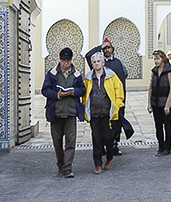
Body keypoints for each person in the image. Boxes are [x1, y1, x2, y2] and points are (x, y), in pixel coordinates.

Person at [40, 47, 85, 178]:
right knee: (57, 141)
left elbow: (82, 90)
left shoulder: (76, 74)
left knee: (71, 141)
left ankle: (67, 168)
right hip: (56, 113)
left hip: (70, 113)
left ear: (71, 61)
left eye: (68, 61)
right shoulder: (52, 74)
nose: (65, 64)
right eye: (63, 61)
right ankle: (61, 164)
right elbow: (45, 90)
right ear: (59, 60)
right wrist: (57, 94)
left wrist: (73, 92)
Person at [81, 52, 124, 174]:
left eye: (98, 61)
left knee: (108, 137)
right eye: (94, 62)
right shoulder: (89, 78)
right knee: (96, 139)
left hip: (106, 113)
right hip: (94, 113)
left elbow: (118, 90)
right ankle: (97, 164)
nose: (96, 64)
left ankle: (109, 157)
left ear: (103, 63)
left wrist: (117, 106)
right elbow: (85, 95)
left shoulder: (111, 76)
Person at [86, 38, 131, 154]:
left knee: (116, 123)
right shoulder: (98, 63)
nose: (107, 50)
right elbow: (88, 55)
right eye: (104, 48)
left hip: (116, 99)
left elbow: (122, 80)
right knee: (102, 126)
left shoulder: (117, 63)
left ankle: (114, 146)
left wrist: (120, 99)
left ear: (112, 49)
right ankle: (101, 147)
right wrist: (100, 46)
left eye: (108, 48)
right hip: (102, 102)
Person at [147, 49, 171, 156]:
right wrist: (149, 103)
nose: (156, 61)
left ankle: (167, 148)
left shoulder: (170, 71)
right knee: (158, 126)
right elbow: (151, 87)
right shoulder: (154, 71)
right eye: (155, 59)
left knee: (167, 126)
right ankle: (160, 146)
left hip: (165, 104)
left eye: (158, 59)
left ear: (163, 59)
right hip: (156, 103)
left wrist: (168, 105)